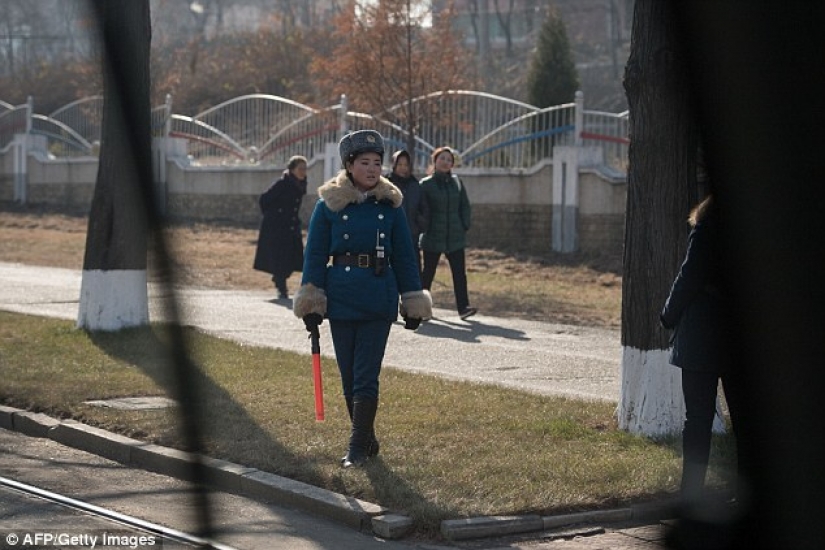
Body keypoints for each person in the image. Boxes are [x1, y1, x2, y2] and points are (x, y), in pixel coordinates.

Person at [293, 130, 432, 468]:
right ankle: (367, 438)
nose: (372, 169)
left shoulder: (391, 204)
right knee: (348, 375)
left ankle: (355, 447)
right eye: (365, 163)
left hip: (377, 295)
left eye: (377, 163)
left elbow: (405, 256)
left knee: (366, 373)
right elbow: (314, 255)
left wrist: (412, 300)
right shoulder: (329, 204)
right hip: (341, 297)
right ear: (349, 165)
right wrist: (312, 302)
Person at [660, 194, 743, 505]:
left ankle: (691, 494)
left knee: (697, 419)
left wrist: (668, 313)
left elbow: (689, 276)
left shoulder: (707, 224)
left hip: (702, 334)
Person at [419, 146, 476, 320]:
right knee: (427, 273)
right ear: (434, 161)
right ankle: (420, 308)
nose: (445, 162)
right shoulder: (425, 185)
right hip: (432, 235)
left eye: (449, 160)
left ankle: (463, 308)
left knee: (459, 274)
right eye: (442, 158)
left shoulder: (457, 183)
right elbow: (420, 209)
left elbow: (465, 205)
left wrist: (464, 224)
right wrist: (423, 227)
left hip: (455, 236)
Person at [253, 155, 308, 299]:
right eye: (300, 168)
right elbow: (264, 200)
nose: (303, 172)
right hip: (277, 227)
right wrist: (274, 217)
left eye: (305, 169)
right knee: (281, 257)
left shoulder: (300, 184)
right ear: (292, 169)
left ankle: (279, 278)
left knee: (293, 256)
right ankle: (281, 286)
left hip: (291, 225)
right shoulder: (283, 183)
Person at [387, 149, 427, 272]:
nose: (403, 168)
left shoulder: (415, 185)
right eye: (400, 164)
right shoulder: (386, 184)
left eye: (406, 165)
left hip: (411, 236)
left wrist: (419, 224)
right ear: (394, 165)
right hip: (390, 236)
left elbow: (424, 208)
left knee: (413, 271)